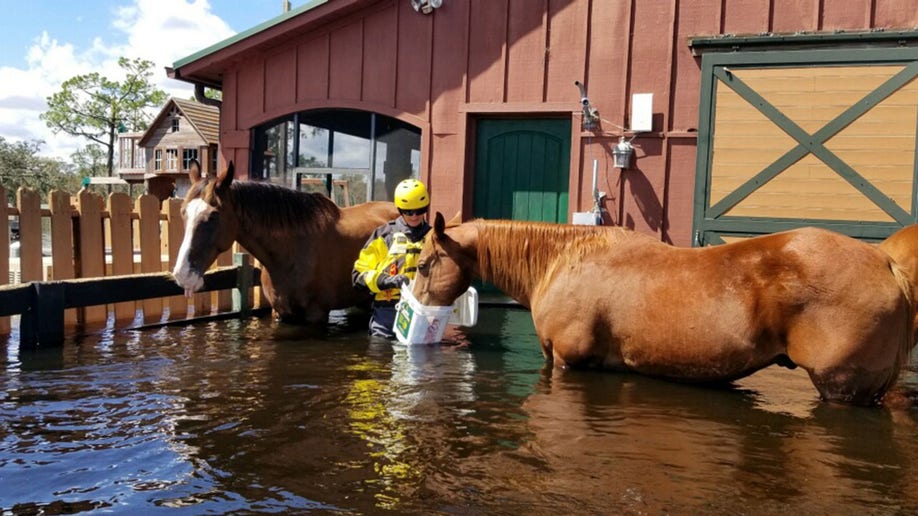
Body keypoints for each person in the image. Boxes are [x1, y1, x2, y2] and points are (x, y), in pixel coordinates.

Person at [352, 178, 432, 338]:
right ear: (400, 210)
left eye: (420, 210)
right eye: (409, 212)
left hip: (423, 311)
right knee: (379, 357)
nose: (415, 216)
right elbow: (358, 277)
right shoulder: (384, 235)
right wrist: (388, 281)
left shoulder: (433, 237)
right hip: (387, 312)